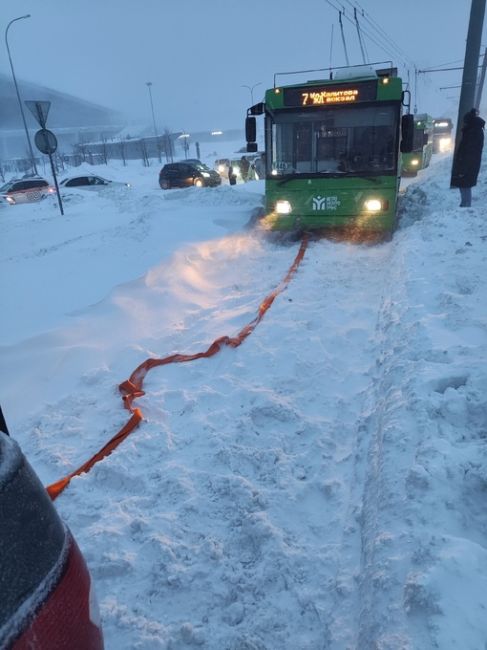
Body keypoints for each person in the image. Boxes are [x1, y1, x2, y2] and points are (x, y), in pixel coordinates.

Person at [451, 108, 485, 207]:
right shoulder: (473, 130)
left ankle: (466, 204)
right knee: (464, 184)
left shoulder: (473, 132)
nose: (464, 124)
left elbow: (469, 151)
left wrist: (463, 166)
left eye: (465, 122)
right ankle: (464, 203)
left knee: (465, 184)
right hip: (469, 162)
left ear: (469, 121)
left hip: (469, 163)